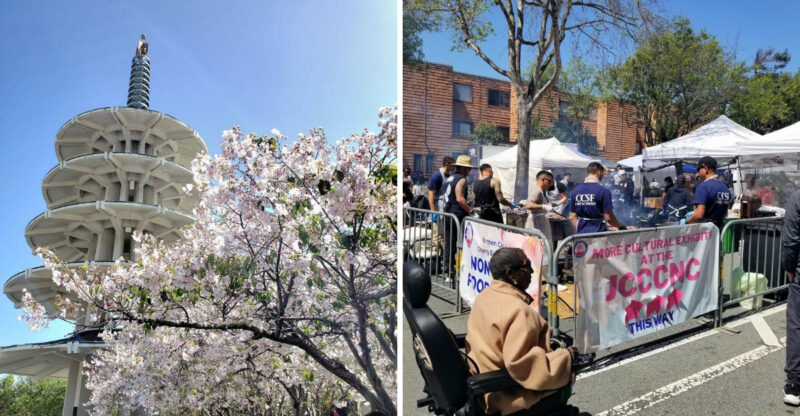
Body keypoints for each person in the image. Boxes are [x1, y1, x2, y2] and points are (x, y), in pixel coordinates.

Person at [466, 247, 575, 415]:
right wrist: (567, 356)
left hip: (482, 388)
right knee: (566, 378)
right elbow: (524, 365)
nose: (532, 271)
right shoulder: (519, 311)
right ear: (511, 274)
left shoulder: (483, 296)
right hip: (506, 395)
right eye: (527, 266)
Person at [569, 162, 627, 234]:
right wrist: (620, 227)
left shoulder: (575, 191)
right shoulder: (604, 191)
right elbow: (608, 217)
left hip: (581, 233)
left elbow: (573, 216)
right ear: (599, 172)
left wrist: (577, 229)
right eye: (602, 173)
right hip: (598, 232)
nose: (602, 176)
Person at [442, 155, 475, 275]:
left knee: (449, 241)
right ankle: (454, 269)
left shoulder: (450, 178)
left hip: (447, 212)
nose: (469, 171)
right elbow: (460, 199)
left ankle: (447, 267)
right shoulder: (462, 179)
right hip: (457, 214)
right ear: (464, 168)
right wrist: (471, 211)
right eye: (468, 169)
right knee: (457, 242)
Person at [782, 187, 800, 406]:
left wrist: (788, 267)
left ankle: (795, 382)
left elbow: (790, 239)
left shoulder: (796, 196)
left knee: (796, 323)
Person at [686, 156, 732, 229]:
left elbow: (698, 215)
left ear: (705, 168)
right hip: (719, 229)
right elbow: (725, 213)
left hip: (705, 232)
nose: (698, 172)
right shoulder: (725, 188)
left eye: (698, 169)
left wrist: (686, 222)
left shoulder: (703, 187)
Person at [520, 171, 557, 243]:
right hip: (536, 225)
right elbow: (529, 205)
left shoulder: (540, 190)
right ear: (543, 180)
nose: (551, 184)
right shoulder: (537, 190)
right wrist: (544, 206)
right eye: (549, 181)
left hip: (540, 224)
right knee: (538, 248)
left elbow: (529, 202)